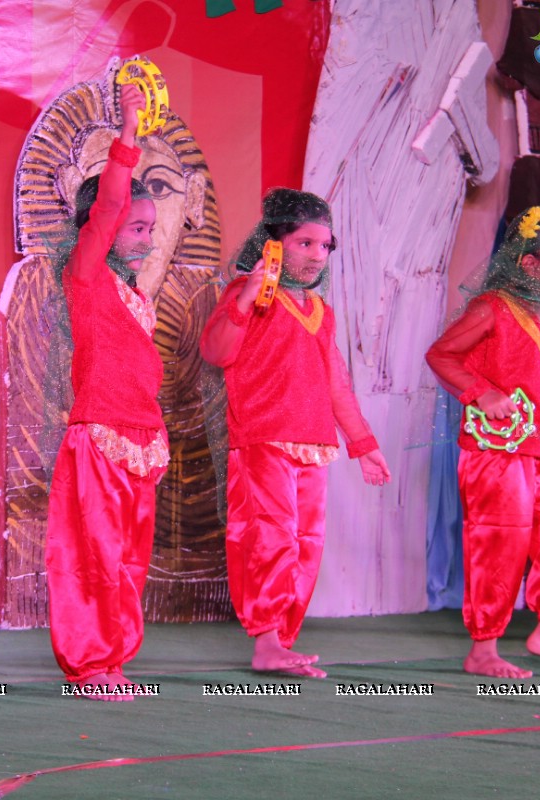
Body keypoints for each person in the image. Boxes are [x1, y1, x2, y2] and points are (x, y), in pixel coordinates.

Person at [200, 188, 390, 679]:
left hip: (314, 443)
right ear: (275, 244)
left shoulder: (320, 311)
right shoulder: (247, 295)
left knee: (306, 543)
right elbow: (217, 352)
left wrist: (364, 446)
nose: (317, 255)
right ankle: (266, 641)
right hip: (262, 438)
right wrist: (246, 294)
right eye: (305, 243)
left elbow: (336, 384)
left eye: (325, 246)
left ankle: (281, 641)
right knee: (271, 539)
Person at [425, 205, 540, 679]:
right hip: (496, 455)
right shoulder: (492, 307)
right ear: (530, 262)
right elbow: (441, 355)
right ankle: (483, 649)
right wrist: (480, 393)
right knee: (500, 546)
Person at [44, 84, 166, 701]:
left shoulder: (136, 297)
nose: (145, 238)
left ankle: (114, 661)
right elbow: (111, 201)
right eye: (135, 227)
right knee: (94, 557)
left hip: (142, 442)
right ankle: (90, 665)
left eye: (150, 228)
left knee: (126, 562)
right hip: (99, 438)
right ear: (102, 228)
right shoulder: (86, 276)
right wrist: (129, 130)